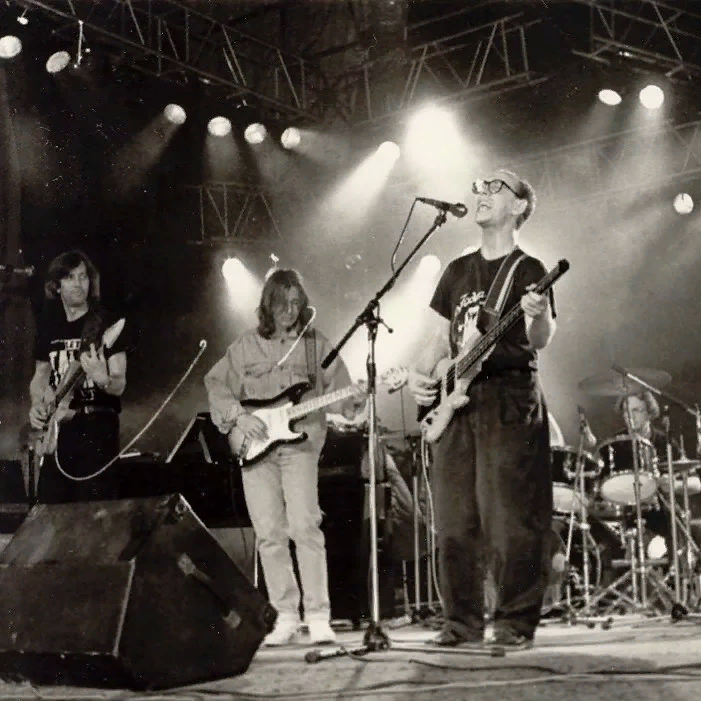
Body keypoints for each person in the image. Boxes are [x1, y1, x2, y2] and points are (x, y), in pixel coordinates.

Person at [408, 169, 557, 650]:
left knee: (510, 516)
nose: (483, 192)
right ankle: (461, 623)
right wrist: (420, 377)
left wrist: (538, 315)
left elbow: (540, 340)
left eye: (497, 187)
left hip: (508, 396)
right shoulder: (456, 271)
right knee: (454, 518)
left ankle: (514, 622)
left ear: (519, 205)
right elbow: (439, 339)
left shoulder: (528, 269)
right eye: (480, 186)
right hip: (457, 399)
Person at [204, 268, 366, 647]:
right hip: (255, 447)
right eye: (282, 303)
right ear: (268, 305)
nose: (289, 311)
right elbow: (216, 384)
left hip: (301, 447)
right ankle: (286, 615)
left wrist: (355, 398)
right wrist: (239, 418)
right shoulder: (245, 346)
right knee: (269, 533)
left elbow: (340, 394)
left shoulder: (316, 345)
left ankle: (319, 615)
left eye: (296, 303)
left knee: (305, 526)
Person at [28, 250, 128, 503]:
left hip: (97, 430)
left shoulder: (105, 322)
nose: (78, 284)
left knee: (93, 511)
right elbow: (40, 375)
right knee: (50, 508)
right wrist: (37, 404)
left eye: (83, 277)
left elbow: (119, 384)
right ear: (56, 285)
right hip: (59, 432)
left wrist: (102, 378)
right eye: (70, 277)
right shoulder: (48, 326)